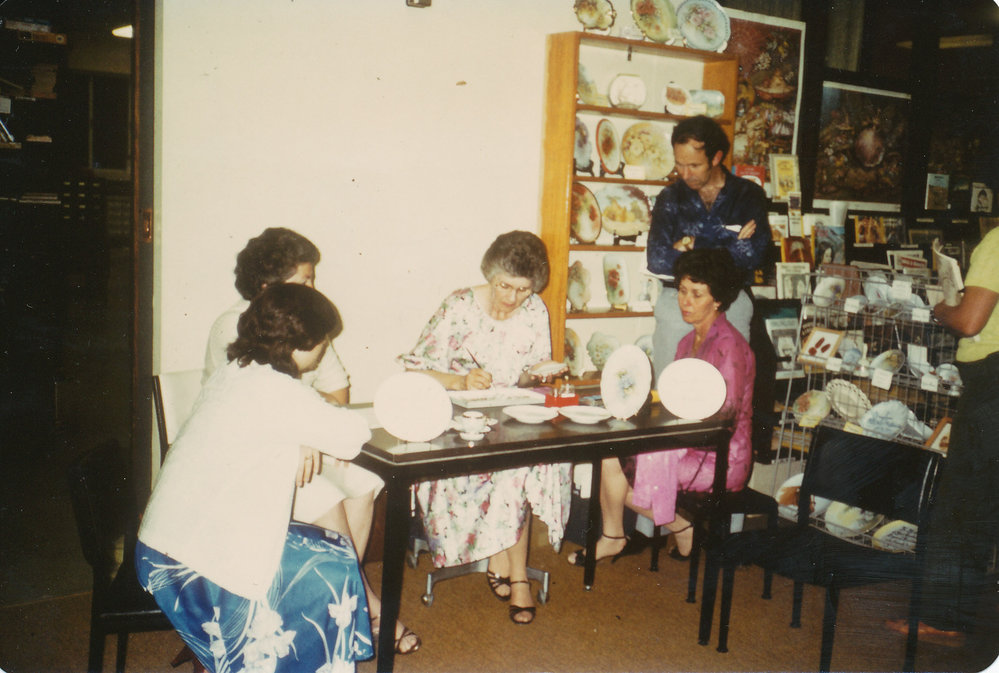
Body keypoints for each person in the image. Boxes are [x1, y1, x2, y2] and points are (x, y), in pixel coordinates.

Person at [136, 284, 376, 673]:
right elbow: (353, 435)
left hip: (165, 543)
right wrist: (309, 427)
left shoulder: (237, 371)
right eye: (323, 338)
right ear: (304, 342)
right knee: (332, 567)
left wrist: (305, 431)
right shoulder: (278, 389)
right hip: (196, 559)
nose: (325, 347)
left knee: (334, 551)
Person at [202, 228, 417, 654]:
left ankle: (341, 596)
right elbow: (257, 405)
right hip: (252, 455)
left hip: (304, 438)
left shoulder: (304, 321)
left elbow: (337, 391)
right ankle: (367, 606)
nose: (313, 288)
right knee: (324, 494)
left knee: (364, 481)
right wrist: (304, 425)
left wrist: (311, 425)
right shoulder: (237, 324)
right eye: (305, 280)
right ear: (269, 285)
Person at [398, 230, 571, 625]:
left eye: (523, 289)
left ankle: (507, 564)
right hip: (458, 426)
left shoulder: (534, 309)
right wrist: (460, 380)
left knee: (521, 463)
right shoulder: (459, 305)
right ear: (490, 274)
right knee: (510, 468)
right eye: (504, 286)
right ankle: (513, 572)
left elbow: (525, 379)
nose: (512, 297)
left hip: (512, 420)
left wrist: (537, 375)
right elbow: (415, 368)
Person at [569, 249, 755, 565]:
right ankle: (639, 533)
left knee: (620, 464)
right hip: (688, 444)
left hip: (719, 457)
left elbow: (724, 418)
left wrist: (664, 438)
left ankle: (664, 530)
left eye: (697, 294)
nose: (685, 301)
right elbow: (676, 400)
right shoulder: (687, 342)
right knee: (609, 453)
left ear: (718, 300)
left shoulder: (730, 346)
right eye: (682, 291)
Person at [885, 226, 999, 647]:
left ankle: (944, 620)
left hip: (992, 385)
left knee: (962, 505)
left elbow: (969, 321)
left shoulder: (998, 241)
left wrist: (941, 311)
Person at [646, 115, 770, 379]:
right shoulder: (670, 197)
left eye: (694, 165)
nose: (684, 174)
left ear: (716, 158)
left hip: (730, 303)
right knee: (670, 387)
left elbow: (754, 255)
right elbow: (657, 258)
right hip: (680, 304)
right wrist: (729, 242)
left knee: (729, 391)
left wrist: (690, 245)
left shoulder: (748, 195)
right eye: (679, 164)